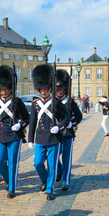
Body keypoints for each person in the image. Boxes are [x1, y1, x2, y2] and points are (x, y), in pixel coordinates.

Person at [0, 65, 30, 199]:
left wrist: (20, 125)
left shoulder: (17, 101)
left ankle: (12, 188)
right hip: (0, 136)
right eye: (2, 89)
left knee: (13, 162)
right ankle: (8, 179)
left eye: (6, 89)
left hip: (14, 136)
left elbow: (26, 117)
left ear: (10, 88)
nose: (4, 92)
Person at [28, 64, 70, 201]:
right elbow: (33, 122)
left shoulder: (57, 102)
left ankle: (50, 189)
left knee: (52, 165)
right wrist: (30, 139)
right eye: (41, 88)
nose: (43, 90)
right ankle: (45, 179)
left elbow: (66, 118)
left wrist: (59, 127)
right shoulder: (35, 104)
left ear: (50, 88)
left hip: (54, 138)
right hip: (40, 138)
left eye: (46, 88)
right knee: (37, 163)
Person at [55, 69, 82, 191]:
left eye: (61, 89)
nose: (59, 91)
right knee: (53, 157)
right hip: (55, 133)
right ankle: (59, 171)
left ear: (65, 89)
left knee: (66, 157)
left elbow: (79, 115)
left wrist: (73, 122)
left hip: (67, 133)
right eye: (57, 89)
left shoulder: (70, 102)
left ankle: (65, 180)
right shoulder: (53, 101)